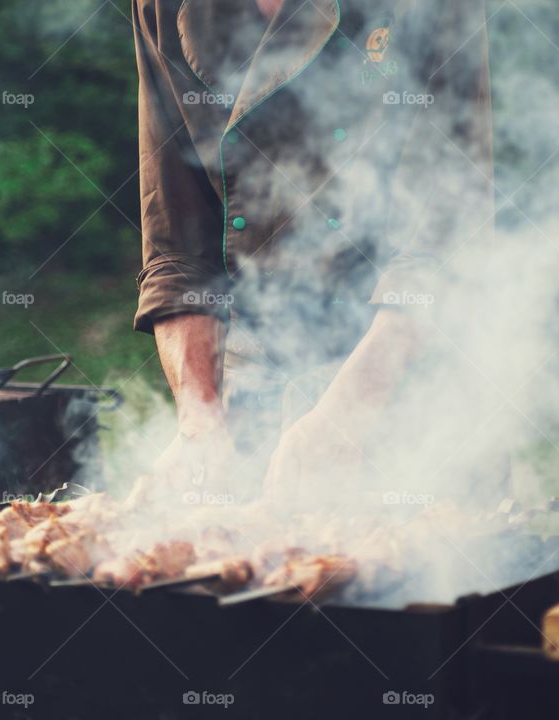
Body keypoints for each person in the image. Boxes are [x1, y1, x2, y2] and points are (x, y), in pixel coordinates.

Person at [130, 0, 495, 502]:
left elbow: (446, 238)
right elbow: (178, 244)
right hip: (249, 386)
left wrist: (350, 412)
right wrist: (199, 420)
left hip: (401, 366)